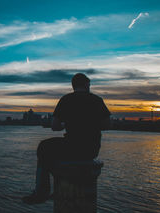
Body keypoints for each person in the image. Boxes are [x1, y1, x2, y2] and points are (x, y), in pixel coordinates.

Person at [22, 73, 111, 205]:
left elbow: (54, 126)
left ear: (73, 86)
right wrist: (90, 124)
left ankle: (42, 191)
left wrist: (68, 124)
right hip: (91, 150)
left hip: (71, 147)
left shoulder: (66, 100)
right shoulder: (97, 100)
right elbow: (108, 124)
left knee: (44, 147)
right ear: (86, 85)